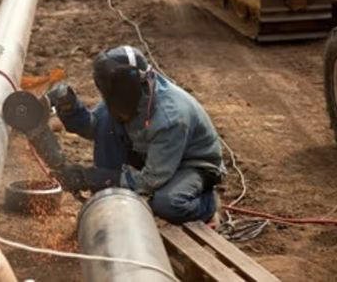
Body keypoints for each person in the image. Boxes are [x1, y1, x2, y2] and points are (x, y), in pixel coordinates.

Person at [48, 46, 225, 224]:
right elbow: (95, 128)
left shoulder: (170, 117)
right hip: (152, 153)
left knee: (167, 203)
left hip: (191, 164)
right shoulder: (123, 96)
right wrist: (70, 108)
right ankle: (111, 199)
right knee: (108, 126)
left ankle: (208, 205)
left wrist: (92, 177)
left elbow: (151, 180)